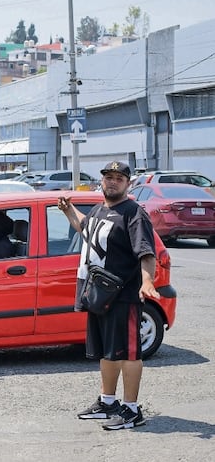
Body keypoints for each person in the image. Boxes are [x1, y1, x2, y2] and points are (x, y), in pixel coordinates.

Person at [58, 161, 160, 430]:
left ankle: (131, 409)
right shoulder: (98, 209)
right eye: (108, 177)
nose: (112, 182)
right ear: (102, 181)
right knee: (107, 351)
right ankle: (108, 402)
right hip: (98, 293)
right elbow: (86, 230)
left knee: (129, 354)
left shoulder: (133, 214)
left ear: (128, 184)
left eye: (119, 178)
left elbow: (146, 252)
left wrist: (147, 281)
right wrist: (69, 211)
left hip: (123, 295)